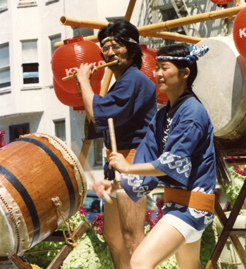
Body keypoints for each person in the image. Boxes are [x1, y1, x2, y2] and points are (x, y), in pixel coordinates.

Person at [93, 43, 231, 269]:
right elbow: (145, 159)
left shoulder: (193, 112)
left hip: (192, 207)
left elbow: (172, 163)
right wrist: (118, 186)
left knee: (139, 261)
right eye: (156, 67)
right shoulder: (162, 117)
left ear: (185, 73)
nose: (157, 73)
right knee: (190, 267)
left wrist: (127, 169)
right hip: (178, 205)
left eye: (164, 67)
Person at [76, 20, 157, 269]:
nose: (109, 52)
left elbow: (98, 113)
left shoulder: (135, 80)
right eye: (105, 47)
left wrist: (84, 81)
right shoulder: (122, 82)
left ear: (132, 50)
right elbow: (99, 114)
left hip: (133, 161)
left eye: (116, 46)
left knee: (133, 238)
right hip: (117, 164)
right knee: (113, 236)